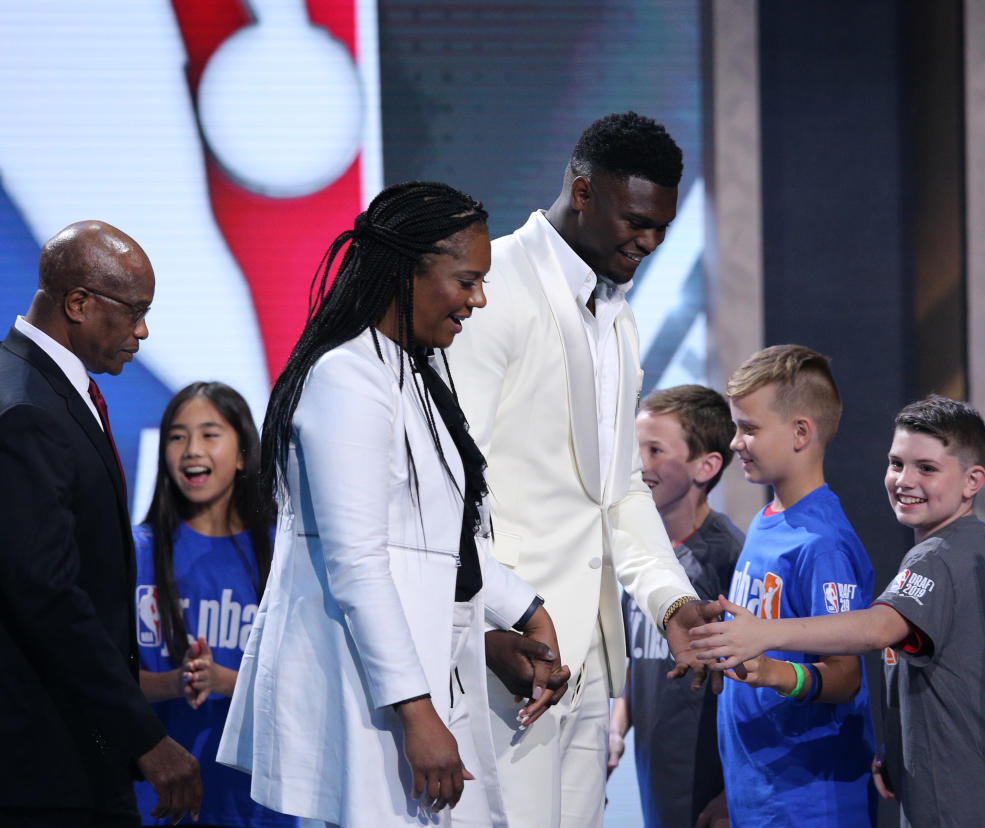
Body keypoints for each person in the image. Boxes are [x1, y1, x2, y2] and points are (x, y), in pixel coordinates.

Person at [217, 182, 566, 827]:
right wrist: (416, 710)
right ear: (406, 271)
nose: (478, 299)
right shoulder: (346, 377)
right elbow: (357, 563)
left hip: (418, 681)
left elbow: (437, 541)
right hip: (366, 698)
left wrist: (524, 609)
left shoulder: (412, 374)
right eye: (466, 280)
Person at [449, 112, 708, 826]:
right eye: (635, 220)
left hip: (590, 647)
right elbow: (449, 487)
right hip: (511, 649)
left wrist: (671, 600)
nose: (650, 241)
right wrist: (483, 627)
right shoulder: (489, 287)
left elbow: (616, 489)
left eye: (662, 226)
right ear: (582, 191)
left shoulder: (615, 310)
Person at [692, 394, 985, 826]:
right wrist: (898, 749)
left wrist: (765, 632)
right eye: (897, 463)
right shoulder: (968, 547)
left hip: (970, 802)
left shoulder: (939, 556)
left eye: (927, 468)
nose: (905, 480)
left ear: (973, 481)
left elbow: (879, 629)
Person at [0, 220, 201, 827]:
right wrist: (145, 737)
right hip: (47, 769)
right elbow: (46, 594)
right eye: (135, 311)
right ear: (79, 303)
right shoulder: (25, 409)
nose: (142, 331)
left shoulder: (38, 386)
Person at [700, 345, 877, 827]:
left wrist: (776, 673)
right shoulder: (765, 518)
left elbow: (846, 677)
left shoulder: (823, 544)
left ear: (801, 432)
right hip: (758, 793)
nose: (737, 442)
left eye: (749, 428)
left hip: (811, 802)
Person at [132, 381, 295, 826]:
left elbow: (310, 688)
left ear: (243, 454)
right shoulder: (135, 551)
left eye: (209, 434)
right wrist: (175, 682)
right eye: (177, 436)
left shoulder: (287, 556)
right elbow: (102, 675)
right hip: (154, 801)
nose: (190, 449)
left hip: (257, 804)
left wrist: (227, 681)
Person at [606, 385, 744, 828]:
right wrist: (615, 727)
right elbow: (637, 662)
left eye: (654, 450)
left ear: (706, 465)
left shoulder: (729, 558)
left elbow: (759, 683)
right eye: (634, 449)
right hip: (657, 785)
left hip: (709, 793)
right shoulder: (633, 557)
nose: (638, 465)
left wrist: (733, 793)